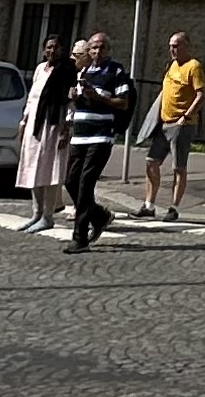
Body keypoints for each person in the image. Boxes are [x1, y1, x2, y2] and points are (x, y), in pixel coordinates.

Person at [64, 29, 131, 255]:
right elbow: (82, 102)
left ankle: (80, 237)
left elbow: (123, 102)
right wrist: (75, 97)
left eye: (101, 47)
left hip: (100, 135)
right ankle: (99, 215)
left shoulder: (115, 70)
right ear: (88, 51)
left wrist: (99, 97)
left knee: (85, 183)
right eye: (93, 47)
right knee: (71, 181)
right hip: (80, 134)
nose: (97, 51)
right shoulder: (84, 71)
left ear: (108, 49)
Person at [141, 33, 205, 220]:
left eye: (176, 45)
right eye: (170, 45)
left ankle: (174, 207)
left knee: (178, 167)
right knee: (151, 162)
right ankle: (149, 205)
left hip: (181, 125)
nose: (172, 49)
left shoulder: (193, 67)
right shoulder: (171, 66)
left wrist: (186, 116)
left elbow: (201, 95)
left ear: (187, 46)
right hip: (163, 123)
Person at [15, 35, 74, 232]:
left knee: (49, 170)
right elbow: (32, 98)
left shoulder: (67, 70)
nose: (52, 51)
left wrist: (66, 128)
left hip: (54, 124)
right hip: (36, 123)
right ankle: (37, 212)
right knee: (33, 167)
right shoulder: (40, 69)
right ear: (43, 50)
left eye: (56, 47)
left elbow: (70, 101)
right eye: (49, 47)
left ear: (62, 50)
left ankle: (48, 215)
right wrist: (24, 121)